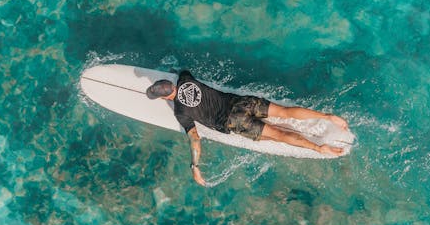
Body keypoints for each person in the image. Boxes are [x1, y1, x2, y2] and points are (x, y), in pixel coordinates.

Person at [147, 70, 350, 186]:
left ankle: (318, 148)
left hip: (234, 121)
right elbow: (180, 72)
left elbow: (195, 139)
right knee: (285, 112)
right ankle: (328, 117)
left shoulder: (181, 112)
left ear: (165, 97)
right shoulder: (185, 78)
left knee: (276, 135)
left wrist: (195, 167)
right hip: (241, 102)